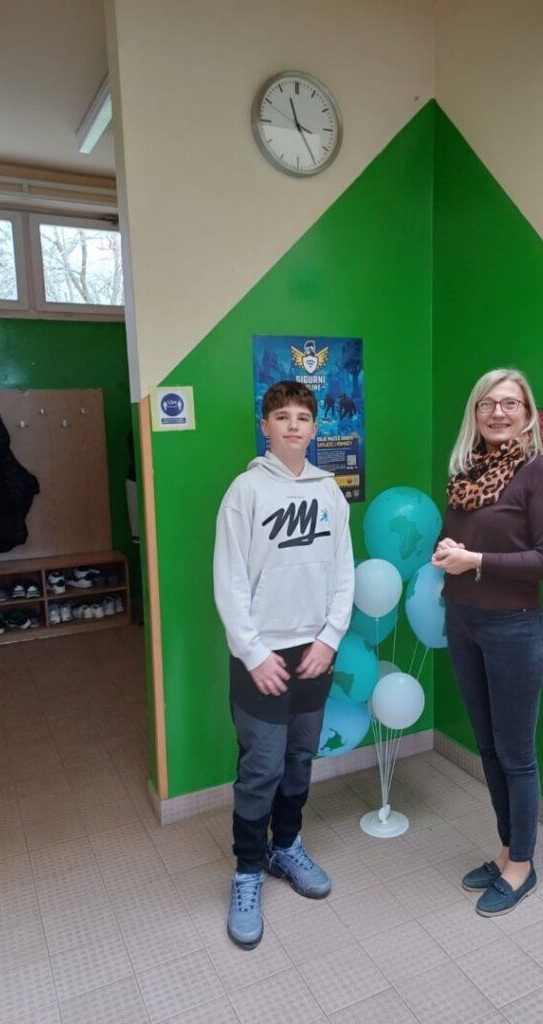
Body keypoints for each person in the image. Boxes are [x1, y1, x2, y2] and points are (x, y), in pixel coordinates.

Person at [214, 380, 354, 949]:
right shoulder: (245, 491)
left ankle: (286, 846)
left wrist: (330, 638)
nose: (293, 425)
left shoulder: (330, 493)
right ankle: (248, 871)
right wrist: (252, 652)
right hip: (262, 656)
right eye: (282, 417)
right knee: (262, 767)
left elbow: (344, 572)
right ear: (265, 426)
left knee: (299, 757)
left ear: (315, 428)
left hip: (314, 651)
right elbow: (228, 581)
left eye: (302, 417)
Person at [432, 368, 543, 917]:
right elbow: (465, 541)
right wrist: (450, 551)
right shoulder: (466, 473)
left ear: (527, 413)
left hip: (513, 627)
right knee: (487, 748)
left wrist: (475, 560)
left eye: (510, 403)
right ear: (475, 413)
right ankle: (508, 848)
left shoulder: (538, 472)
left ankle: (522, 866)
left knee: (515, 755)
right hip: (463, 621)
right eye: (488, 404)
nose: (498, 413)